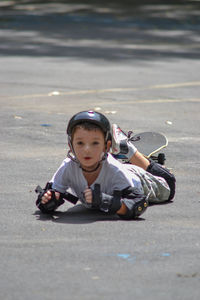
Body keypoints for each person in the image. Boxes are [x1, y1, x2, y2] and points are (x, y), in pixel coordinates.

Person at [36, 110, 176, 220]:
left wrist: (105, 200)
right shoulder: (68, 166)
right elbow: (53, 193)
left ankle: (128, 149)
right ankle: (121, 152)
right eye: (80, 143)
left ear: (106, 146)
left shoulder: (115, 171)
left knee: (169, 185)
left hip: (138, 179)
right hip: (115, 166)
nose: (87, 149)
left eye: (95, 143)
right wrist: (49, 200)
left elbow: (139, 203)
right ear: (70, 146)